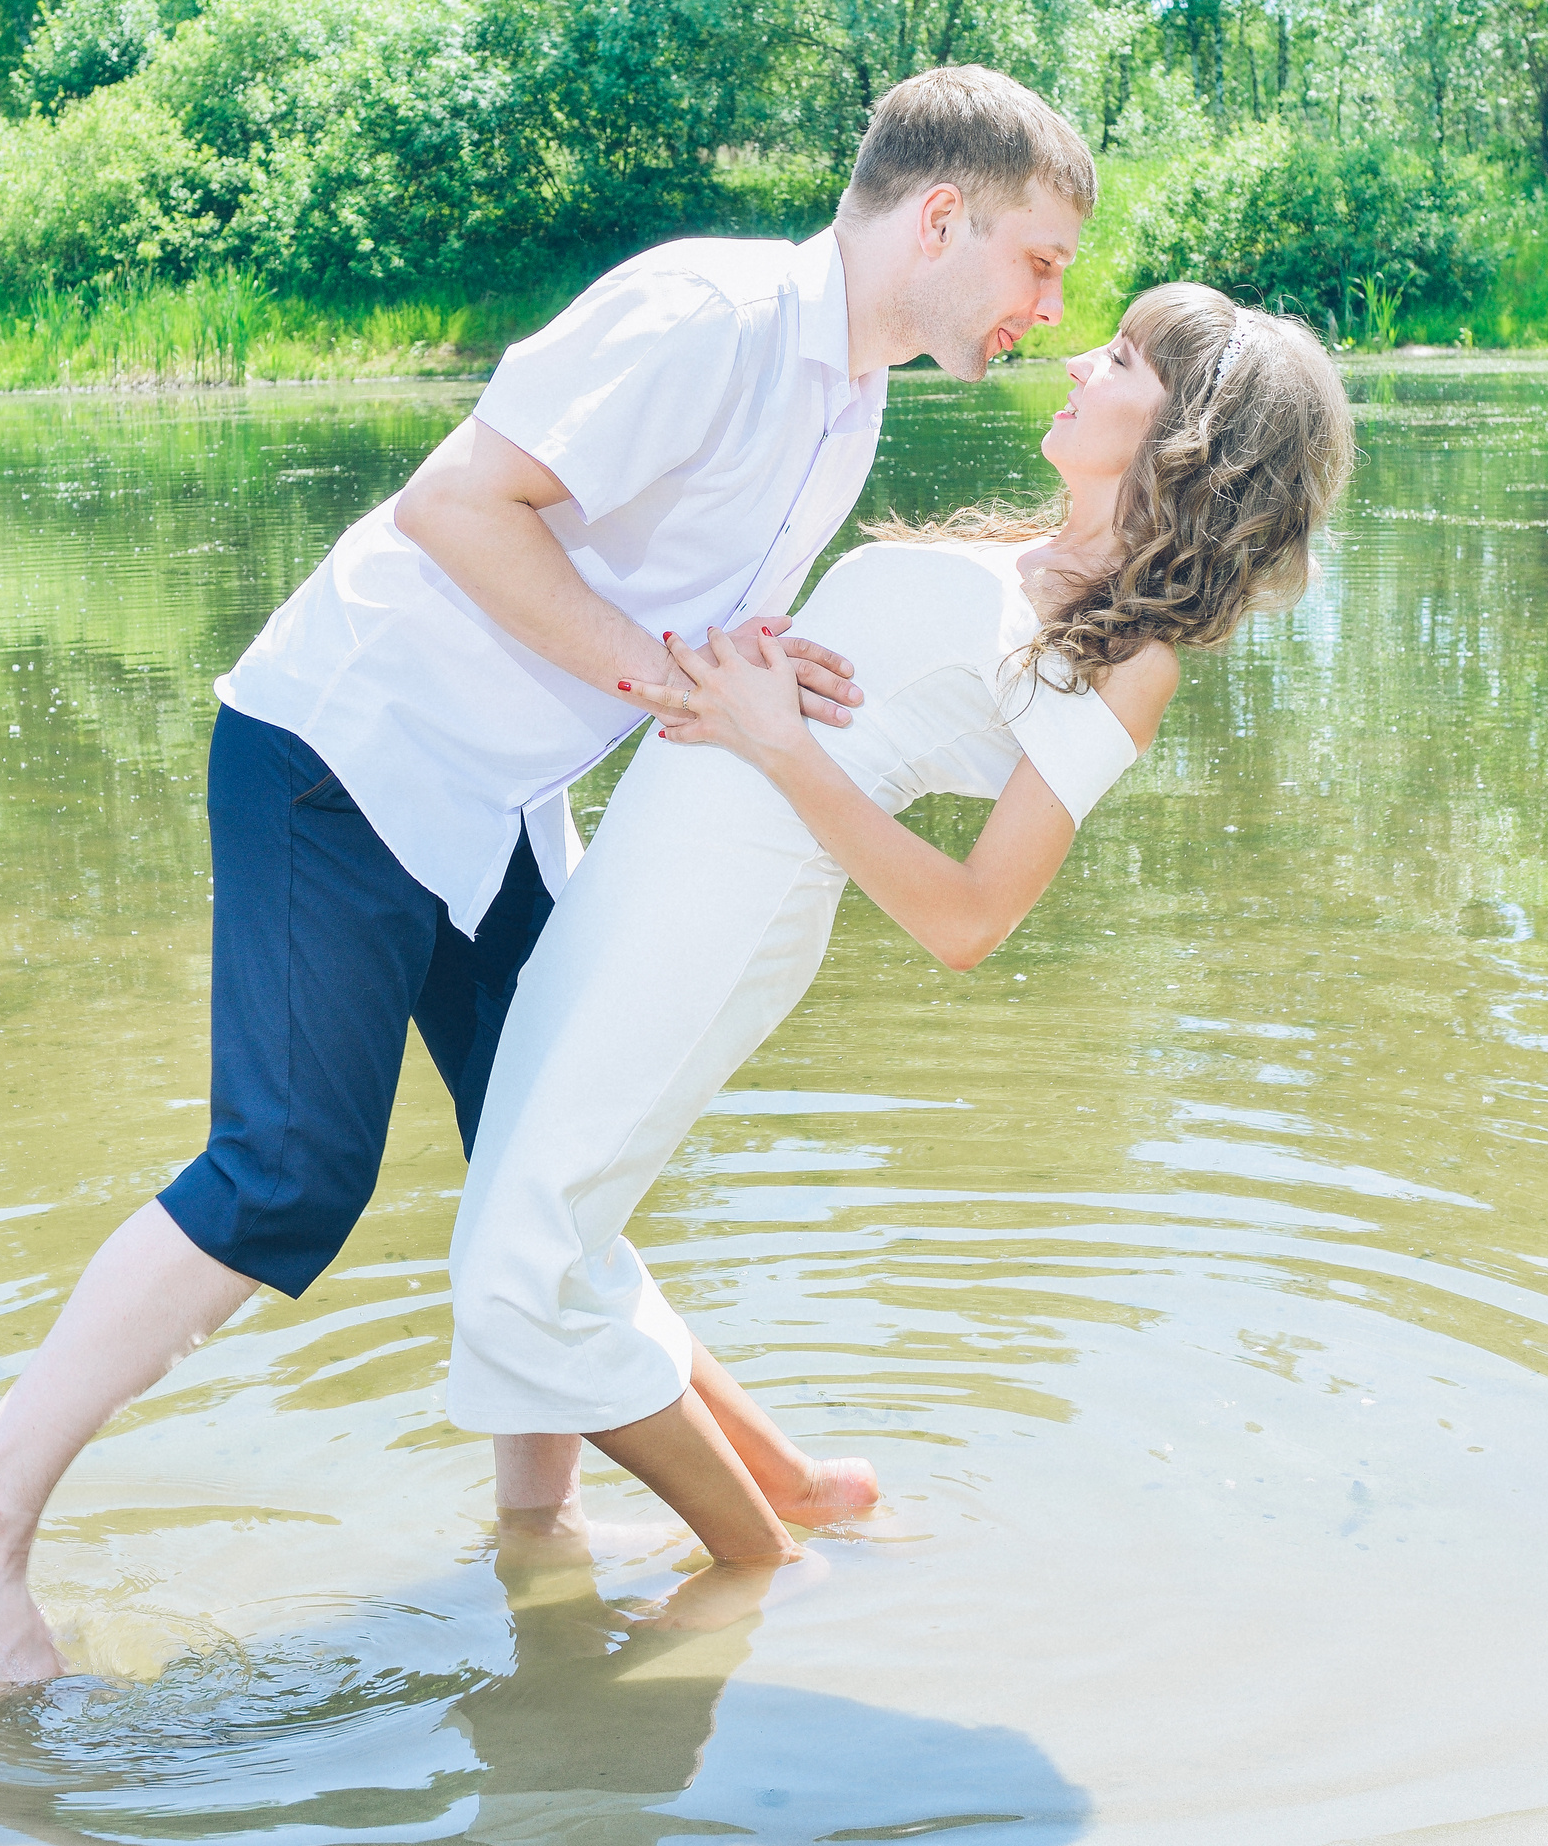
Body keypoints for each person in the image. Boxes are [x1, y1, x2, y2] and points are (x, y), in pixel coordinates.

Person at [0, 65, 1095, 1683]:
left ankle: (556, 1537)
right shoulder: (709, 317)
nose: (1049, 304)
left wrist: (749, 661)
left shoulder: (846, 401)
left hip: (495, 798)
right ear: (942, 216)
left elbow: (661, 613)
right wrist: (668, 679)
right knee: (289, 1174)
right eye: (1040, 262)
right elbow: (457, 504)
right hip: (350, 750)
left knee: (556, 1149)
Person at [444, 284, 1354, 1564]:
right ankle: (805, 1492)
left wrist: (776, 746)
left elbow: (974, 917)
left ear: (1190, 436)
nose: (1083, 356)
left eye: (1128, 357)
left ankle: (760, 1570)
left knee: (515, 1265)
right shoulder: (1024, 559)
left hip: (731, 898)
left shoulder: (1134, 655)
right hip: (660, 857)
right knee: (539, 1223)